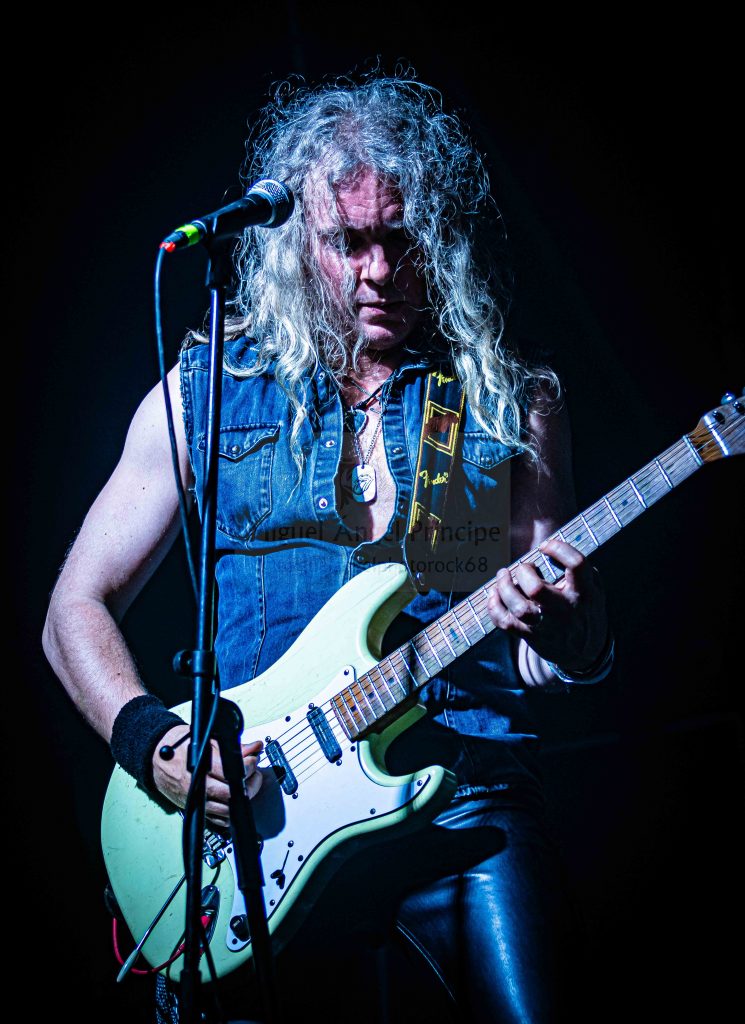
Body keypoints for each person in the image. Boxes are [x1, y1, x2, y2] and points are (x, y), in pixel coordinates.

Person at [43, 71, 613, 1024]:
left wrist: (565, 628)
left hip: (458, 797)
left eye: (401, 238)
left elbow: (544, 651)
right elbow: (74, 607)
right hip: (263, 811)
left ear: (440, 235)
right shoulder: (208, 394)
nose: (378, 270)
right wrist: (155, 743)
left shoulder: (498, 400)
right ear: (296, 242)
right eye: (348, 243)